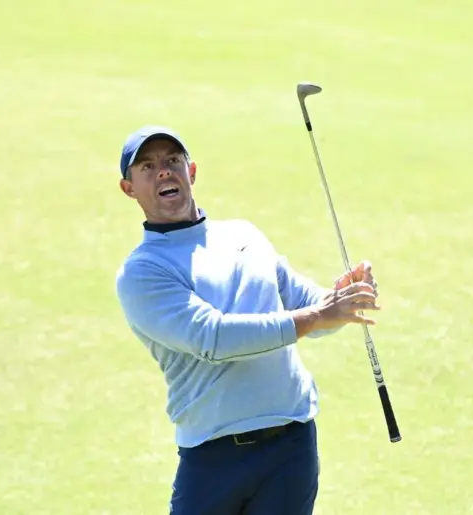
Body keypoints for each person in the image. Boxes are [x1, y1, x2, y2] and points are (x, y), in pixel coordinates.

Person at [114, 125, 381, 515]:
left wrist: (342, 298)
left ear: (191, 172)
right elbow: (214, 339)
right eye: (148, 166)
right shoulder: (143, 272)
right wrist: (319, 314)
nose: (164, 172)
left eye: (173, 161)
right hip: (213, 456)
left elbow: (311, 307)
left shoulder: (244, 235)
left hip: (291, 446)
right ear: (129, 189)